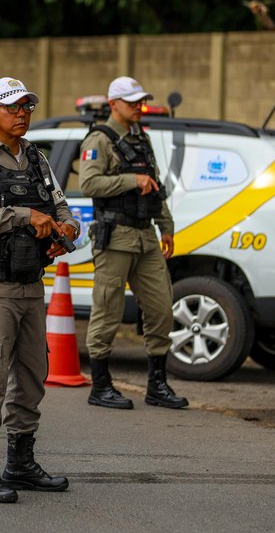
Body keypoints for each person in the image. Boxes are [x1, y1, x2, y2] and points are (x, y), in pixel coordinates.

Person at [0, 77, 80, 504]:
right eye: (12, 106)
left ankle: (20, 463)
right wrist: (25, 215)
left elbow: (60, 206)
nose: (22, 112)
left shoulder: (37, 159)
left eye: (26, 105)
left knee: (31, 376)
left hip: (29, 284)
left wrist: (67, 228)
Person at [79, 76, 189, 410]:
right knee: (107, 311)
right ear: (113, 104)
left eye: (140, 102)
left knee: (161, 308)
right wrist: (131, 180)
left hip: (146, 236)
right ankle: (101, 386)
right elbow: (88, 183)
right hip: (115, 238)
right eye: (131, 103)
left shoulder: (142, 140)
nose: (138, 108)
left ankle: (157, 385)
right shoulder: (99, 139)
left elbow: (154, 185)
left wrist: (166, 226)